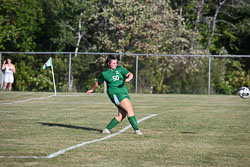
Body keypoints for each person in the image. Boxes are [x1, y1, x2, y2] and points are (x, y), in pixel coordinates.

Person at [86, 55, 142, 135]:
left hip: (124, 92)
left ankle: (106, 129)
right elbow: (98, 83)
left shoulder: (119, 69)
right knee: (129, 109)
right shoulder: (105, 73)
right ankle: (137, 131)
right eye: (113, 63)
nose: (115, 65)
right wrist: (91, 90)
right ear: (108, 63)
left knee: (122, 114)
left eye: (116, 63)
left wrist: (128, 78)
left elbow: (130, 74)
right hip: (115, 93)